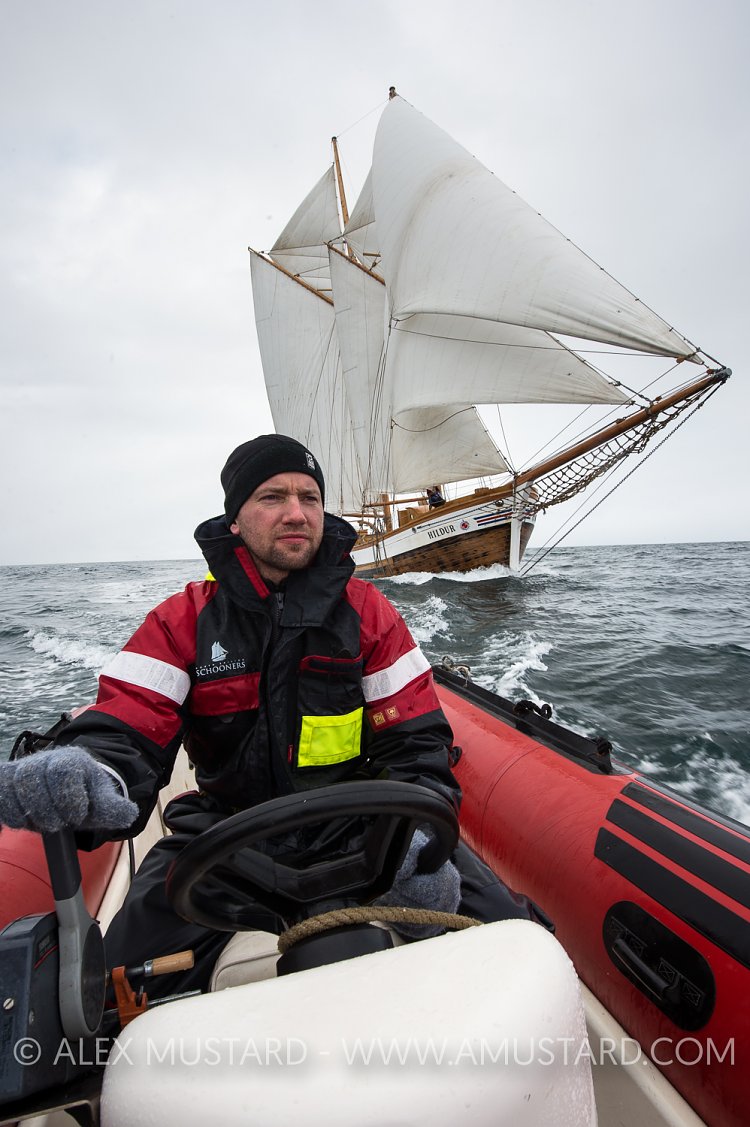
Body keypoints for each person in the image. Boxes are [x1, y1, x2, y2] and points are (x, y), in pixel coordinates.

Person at [0, 435, 537, 997]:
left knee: (514, 947)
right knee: (104, 1000)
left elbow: (417, 743)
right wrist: (93, 773)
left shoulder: (368, 612)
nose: (296, 513)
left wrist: (418, 838)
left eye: (309, 496)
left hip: (362, 824)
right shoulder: (183, 620)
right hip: (226, 837)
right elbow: (128, 724)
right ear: (235, 519)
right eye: (272, 496)